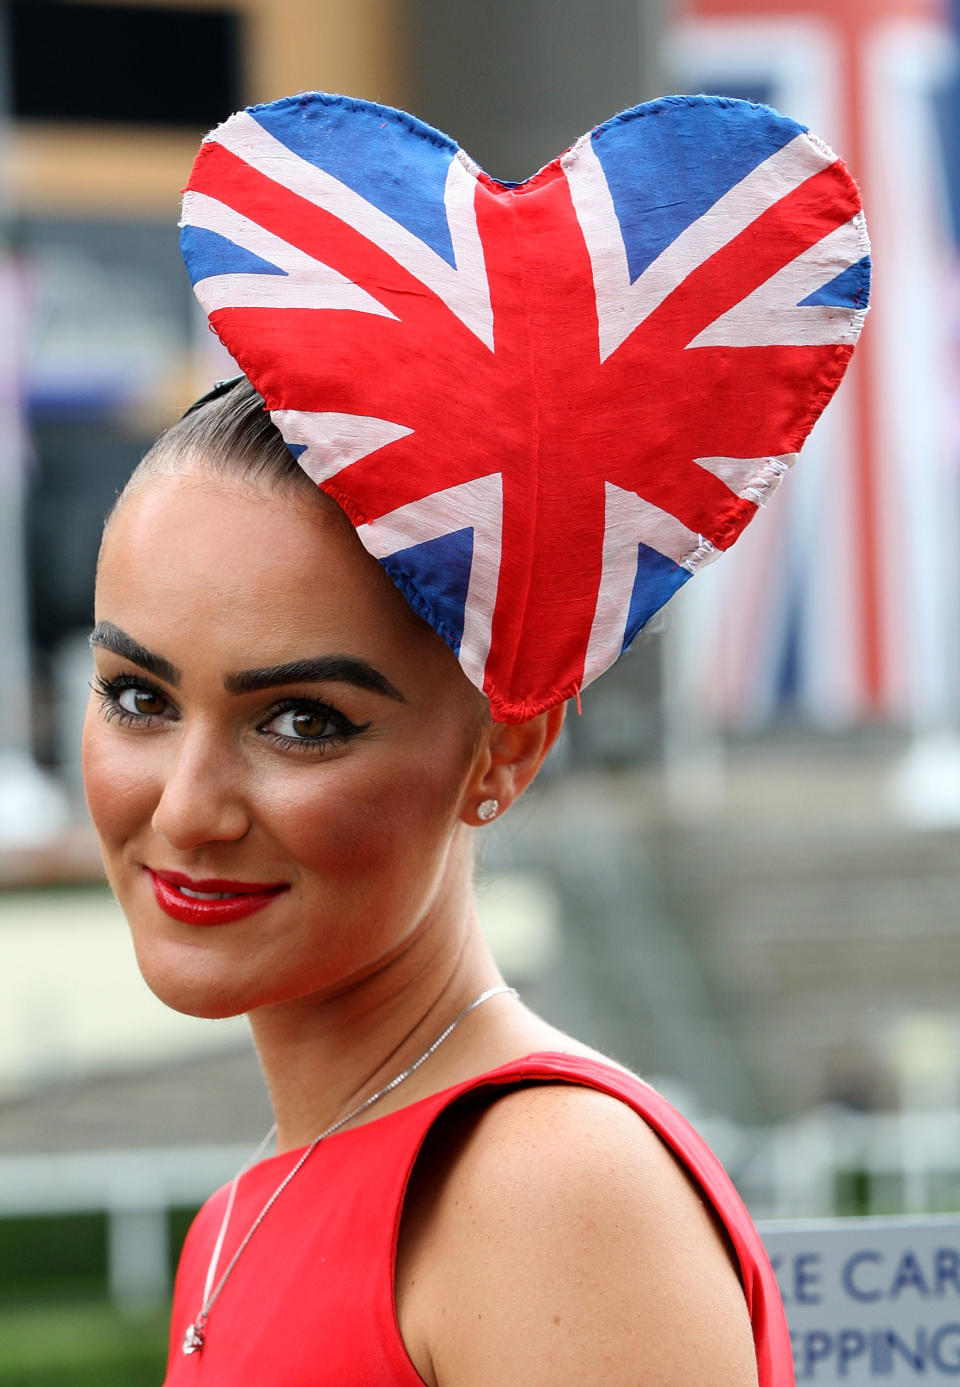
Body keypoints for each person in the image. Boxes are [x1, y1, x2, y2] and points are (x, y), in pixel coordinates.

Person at [82, 89, 868, 1385]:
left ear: (506, 750)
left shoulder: (545, 1189)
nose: (186, 806)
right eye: (140, 699)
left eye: (302, 721)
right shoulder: (240, 1219)